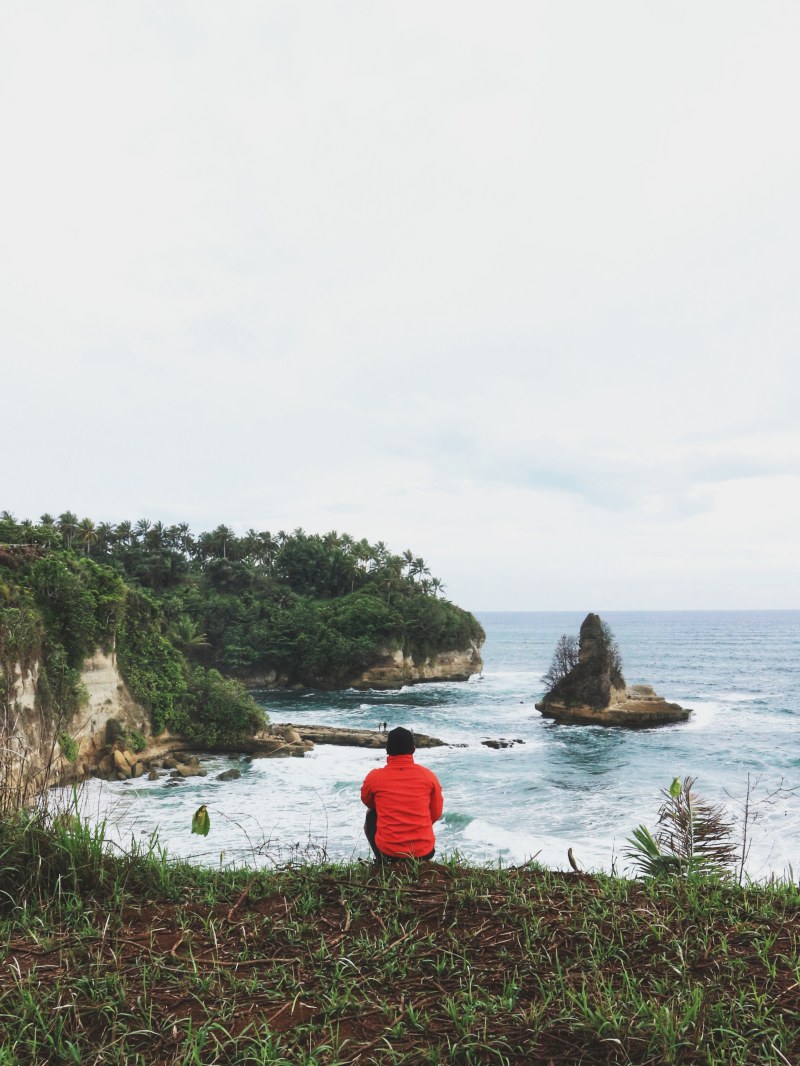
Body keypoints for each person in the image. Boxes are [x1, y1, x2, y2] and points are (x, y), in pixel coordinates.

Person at [360, 726, 443, 861]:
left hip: (389, 853)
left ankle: (381, 860)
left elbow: (367, 801)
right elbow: (435, 813)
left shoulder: (375, 777)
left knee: (371, 813)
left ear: (387, 750)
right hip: (424, 852)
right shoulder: (428, 776)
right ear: (413, 749)